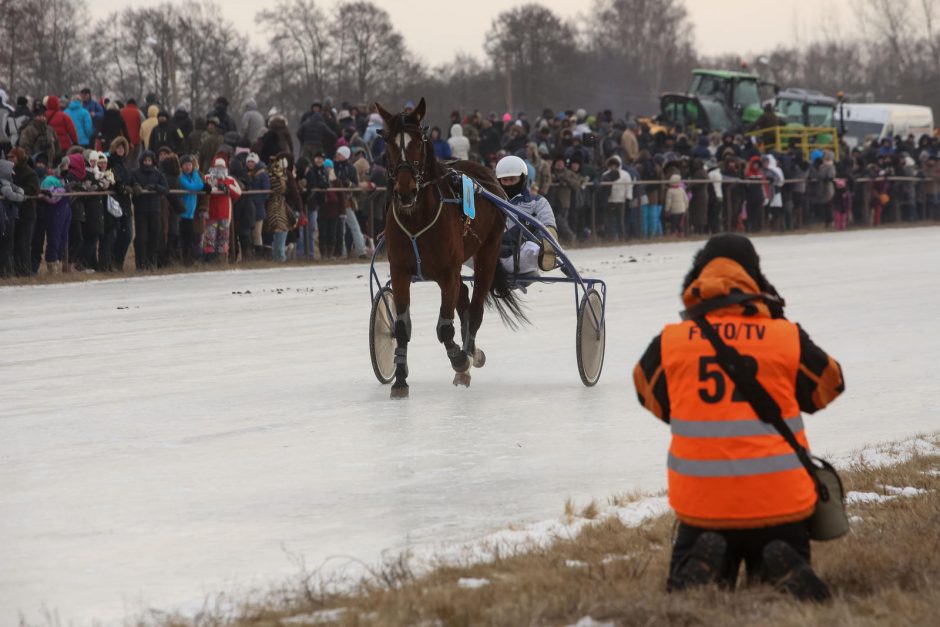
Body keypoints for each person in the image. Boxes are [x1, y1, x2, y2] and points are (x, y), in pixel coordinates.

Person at [633, 234, 844, 602]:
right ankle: (781, 569)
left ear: (695, 282)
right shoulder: (785, 337)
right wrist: (776, 320)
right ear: (756, 281)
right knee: (780, 570)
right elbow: (830, 384)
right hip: (781, 502)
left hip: (702, 506)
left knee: (684, 592)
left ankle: (703, 569)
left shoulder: (672, 341)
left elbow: (645, 389)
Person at [494, 155, 558, 275]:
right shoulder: (491, 201)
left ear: (522, 179)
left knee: (532, 246)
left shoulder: (537, 202)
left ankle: (548, 254)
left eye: (512, 179)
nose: (508, 184)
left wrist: (548, 235)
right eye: (504, 180)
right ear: (499, 181)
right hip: (492, 256)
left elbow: (548, 222)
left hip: (519, 254)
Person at [130, 150, 169, 270]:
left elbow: (166, 188)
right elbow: (131, 184)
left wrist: (155, 187)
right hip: (140, 209)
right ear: (142, 161)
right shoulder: (135, 173)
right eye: (145, 160)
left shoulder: (158, 174)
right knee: (141, 238)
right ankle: (141, 264)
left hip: (155, 209)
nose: (147, 163)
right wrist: (136, 187)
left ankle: (151, 262)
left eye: (149, 160)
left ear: (153, 161)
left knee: (154, 236)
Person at [202, 157, 241, 260]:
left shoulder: (230, 180)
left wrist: (226, 188)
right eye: (217, 167)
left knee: (223, 238)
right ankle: (209, 260)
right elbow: (205, 190)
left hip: (224, 215)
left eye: (222, 167)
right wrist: (217, 188)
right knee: (210, 238)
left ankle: (222, 259)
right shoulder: (207, 178)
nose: (219, 169)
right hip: (211, 214)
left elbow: (238, 193)